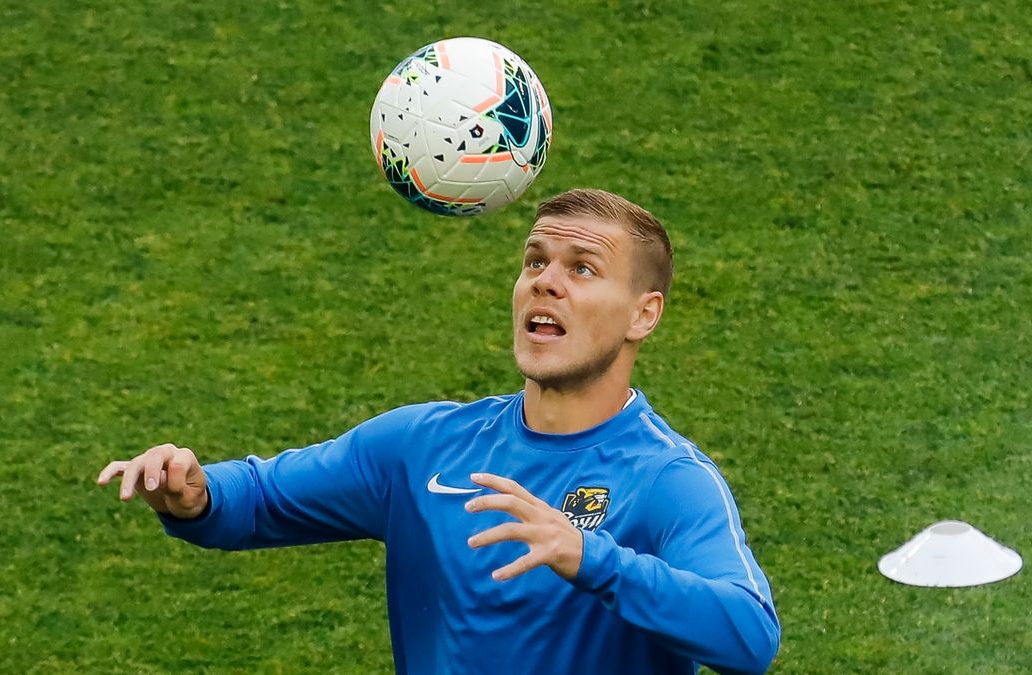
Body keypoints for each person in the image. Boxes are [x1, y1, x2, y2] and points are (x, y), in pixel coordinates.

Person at [97, 188, 781, 674]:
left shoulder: (667, 479)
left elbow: (750, 635)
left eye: (582, 267)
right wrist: (195, 494)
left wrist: (589, 556)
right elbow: (259, 498)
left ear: (643, 314)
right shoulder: (422, 447)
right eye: (534, 260)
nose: (545, 282)